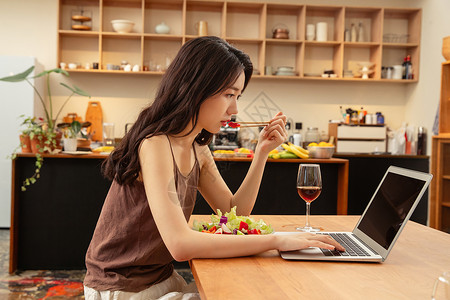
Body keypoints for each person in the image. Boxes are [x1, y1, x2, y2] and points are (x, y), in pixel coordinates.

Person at [83, 36, 344, 300]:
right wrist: (277, 240)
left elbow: (234, 211)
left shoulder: (197, 147)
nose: (234, 109)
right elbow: (180, 245)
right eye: (228, 94)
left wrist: (262, 152)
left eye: (238, 96)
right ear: (195, 87)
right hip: (120, 287)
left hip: (159, 278)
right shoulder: (156, 144)